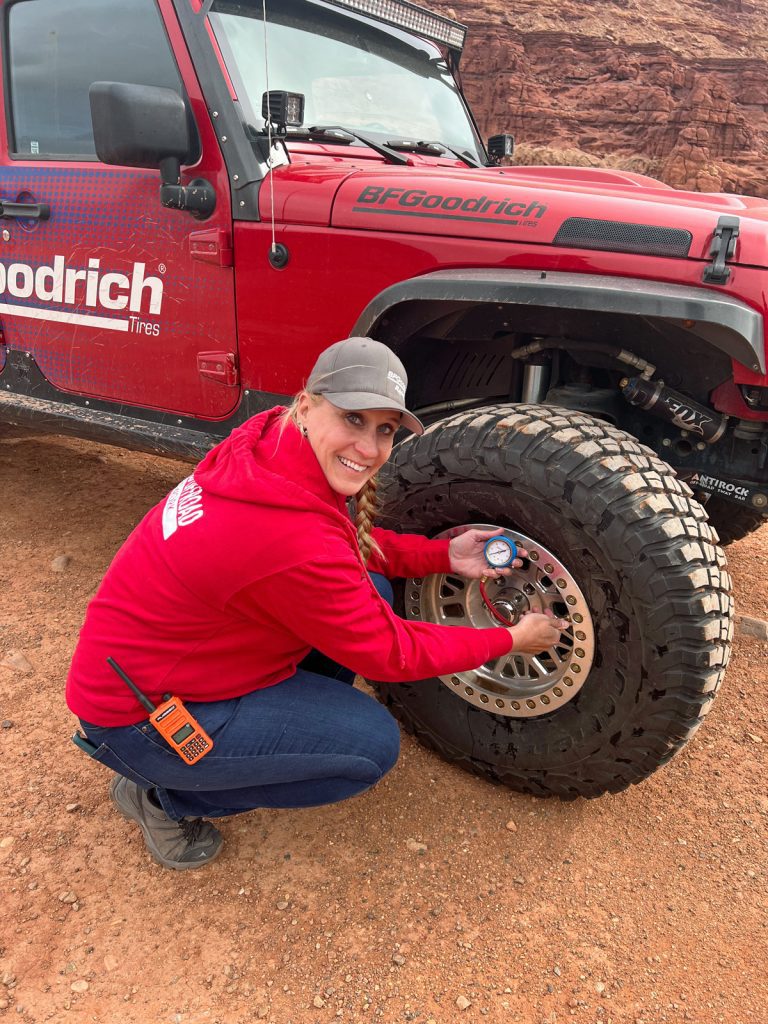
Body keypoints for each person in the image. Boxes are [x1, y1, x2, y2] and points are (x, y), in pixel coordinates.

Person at [66, 337, 564, 870]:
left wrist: (444, 555)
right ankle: (162, 795)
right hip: (140, 714)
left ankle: (257, 736)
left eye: (385, 429)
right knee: (367, 750)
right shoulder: (284, 535)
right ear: (306, 404)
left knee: (368, 590)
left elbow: (339, 548)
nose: (370, 448)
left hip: (153, 661)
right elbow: (390, 652)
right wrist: (510, 640)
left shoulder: (265, 444)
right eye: (353, 418)